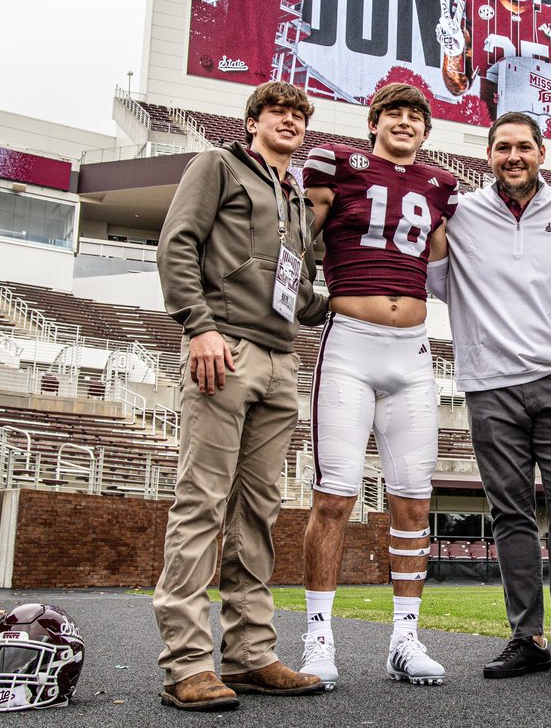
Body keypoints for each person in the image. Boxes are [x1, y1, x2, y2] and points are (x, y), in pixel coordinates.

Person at [153, 81, 328, 711]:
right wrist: (197, 326)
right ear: (252, 120)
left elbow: (303, 294)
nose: (289, 120)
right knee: (202, 501)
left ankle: (251, 654)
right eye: (277, 111)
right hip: (224, 347)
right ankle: (186, 662)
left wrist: (366, 299)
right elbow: (177, 244)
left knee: (258, 512)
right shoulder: (217, 165)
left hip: (283, 359)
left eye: (298, 115)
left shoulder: (297, 201)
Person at [426, 112, 551, 681]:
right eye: (502, 147)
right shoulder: (459, 214)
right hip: (489, 384)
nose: (513, 156)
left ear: (542, 153)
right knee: (509, 513)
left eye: (524, 147)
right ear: (488, 155)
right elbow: (436, 279)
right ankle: (527, 638)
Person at [298, 83, 459, 689]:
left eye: (416, 116)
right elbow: (296, 241)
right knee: (334, 497)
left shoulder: (440, 186)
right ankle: (318, 635)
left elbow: (444, 273)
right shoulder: (338, 163)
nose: (405, 122)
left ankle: (405, 638)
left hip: (413, 351)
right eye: (394, 112)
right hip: (350, 344)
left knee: (414, 501)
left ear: (425, 131)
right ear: (374, 122)